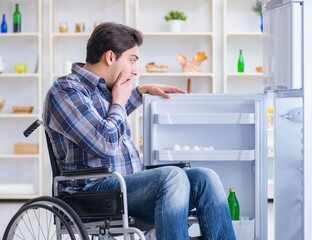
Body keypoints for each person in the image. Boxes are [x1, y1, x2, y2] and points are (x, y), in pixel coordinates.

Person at [43, 22, 236, 240]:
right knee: (172, 176)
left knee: (205, 177)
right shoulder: (66, 90)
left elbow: (103, 119)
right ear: (110, 57)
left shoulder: (105, 89)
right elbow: (104, 143)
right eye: (132, 60)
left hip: (127, 188)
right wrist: (118, 101)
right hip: (94, 192)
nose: (136, 70)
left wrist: (139, 92)